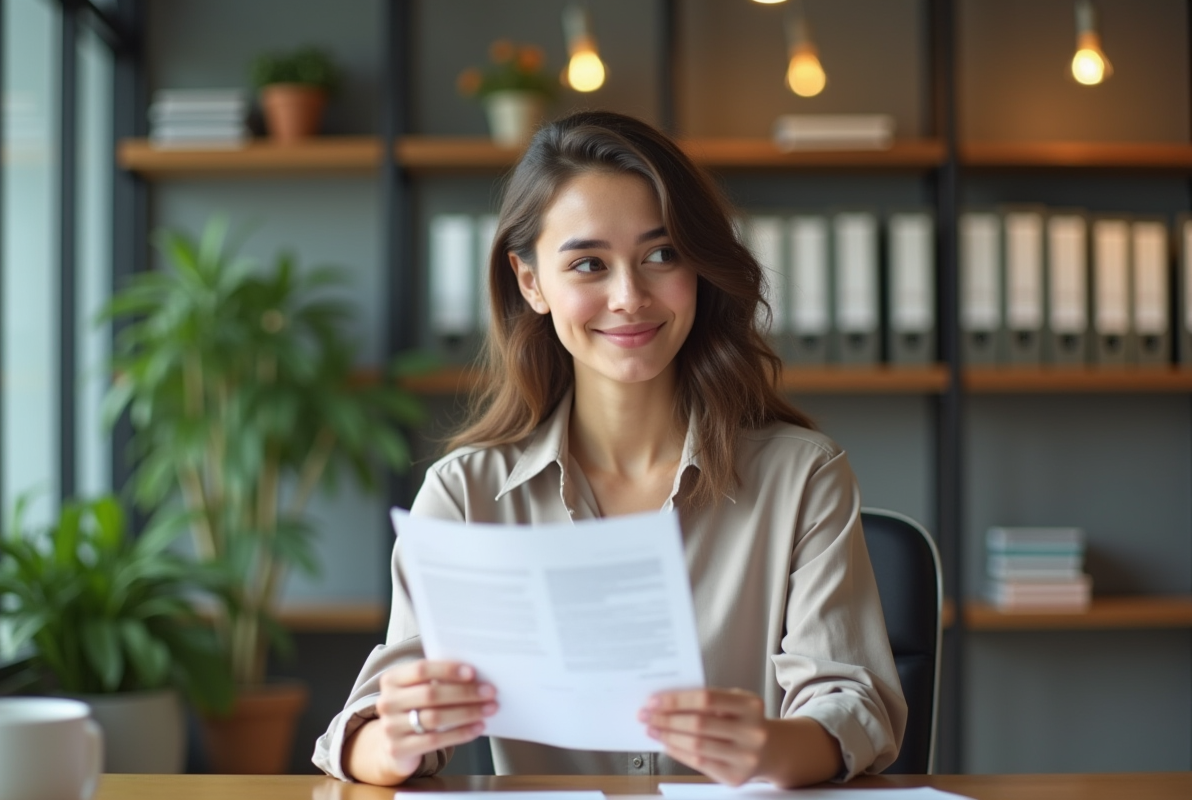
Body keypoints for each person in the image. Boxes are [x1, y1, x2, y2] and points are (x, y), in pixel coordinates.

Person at [313, 110, 906, 788]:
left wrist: (771, 748)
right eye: (588, 264)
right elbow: (362, 732)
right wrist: (400, 736)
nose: (629, 297)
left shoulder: (803, 476)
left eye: (662, 255)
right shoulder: (466, 494)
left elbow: (852, 705)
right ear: (531, 282)